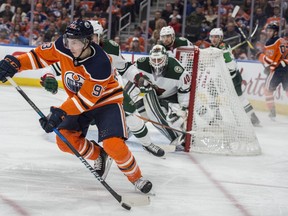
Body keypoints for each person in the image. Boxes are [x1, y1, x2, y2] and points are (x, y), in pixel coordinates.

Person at [0, 19, 152, 194]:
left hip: (106, 102)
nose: (70, 46)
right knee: (64, 140)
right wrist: (15, 63)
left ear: (87, 42)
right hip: (78, 101)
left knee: (113, 145)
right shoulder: (63, 46)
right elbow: (38, 57)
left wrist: (59, 114)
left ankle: (136, 178)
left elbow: (85, 101)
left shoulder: (100, 63)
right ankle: (99, 155)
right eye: (68, 41)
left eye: (76, 42)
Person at [40, 20, 165, 158]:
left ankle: (147, 144)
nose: (89, 40)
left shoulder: (110, 49)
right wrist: (49, 76)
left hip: (109, 94)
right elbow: (56, 66)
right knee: (70, 128)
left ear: (99, 36)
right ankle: (99, 155)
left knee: (132, 118)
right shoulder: (74, 49)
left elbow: (125, 67)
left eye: (93, 36)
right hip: (83, 96)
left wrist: (138, 77)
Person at [133, 44, 191, 150]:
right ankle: (122, 132)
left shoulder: (178, 71)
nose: (156, 63)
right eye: (153, 60)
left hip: (171, 100)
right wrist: (138, 85)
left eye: (159, 59)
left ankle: (178, 136)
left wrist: (183, 108)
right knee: (135, 112)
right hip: (152, 97)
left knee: (169, 117)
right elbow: (129, 77)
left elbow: (184, 92)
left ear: (166, 58)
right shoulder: (141, 63)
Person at [209, 28, 261, 126]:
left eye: (216, 37)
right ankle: (217, 116)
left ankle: (253, 117)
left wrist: (223, 54)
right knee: (212, 93)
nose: (214, 39)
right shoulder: (214, 47)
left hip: (232, 78)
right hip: (225, 77)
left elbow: (231, 67)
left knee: (239, 98)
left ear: (221, 38)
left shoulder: (223, 47)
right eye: (212, 37)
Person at [258, 23, 288, 120]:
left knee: (268, 89)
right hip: (286, 67)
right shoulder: (283, 40)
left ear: (275, 32)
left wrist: (261, 56)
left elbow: (270, 61)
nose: (268, 32)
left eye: (271, 31)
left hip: (278, 70)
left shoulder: (270, 42)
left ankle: (272, 112)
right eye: (268, 30)